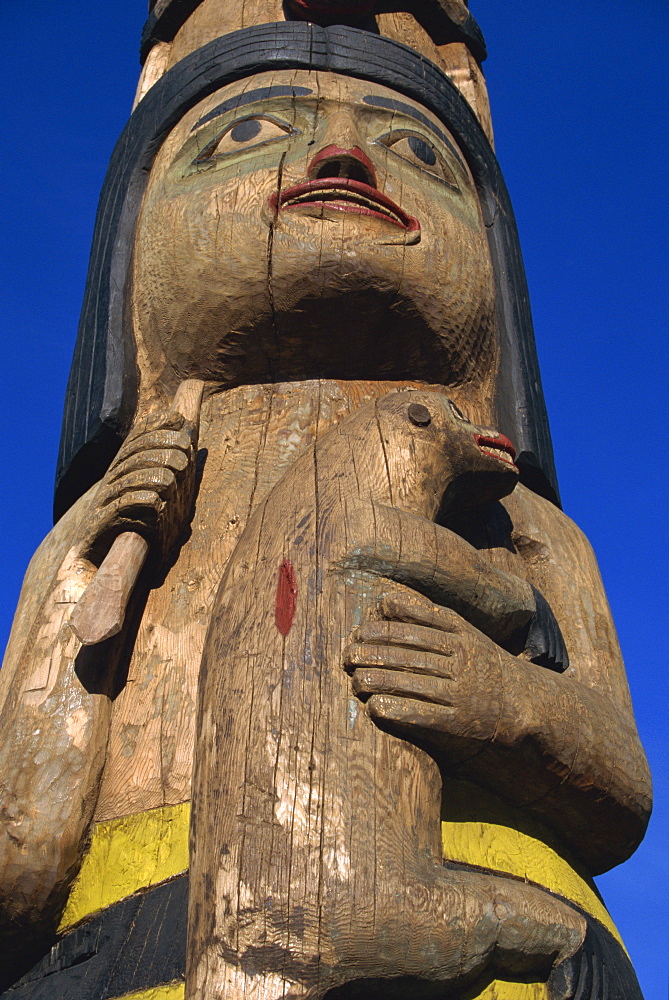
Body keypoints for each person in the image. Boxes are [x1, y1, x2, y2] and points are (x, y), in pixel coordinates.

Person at [0, 26, 650, 999]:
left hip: (531, 942)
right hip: (147, 942)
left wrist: (506, 701)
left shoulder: (514, 514)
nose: (344, 156)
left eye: (421, 149)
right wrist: (86, 575)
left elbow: (620, 799)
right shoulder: (110, 521)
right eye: (251, 129)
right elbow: (18, 859)